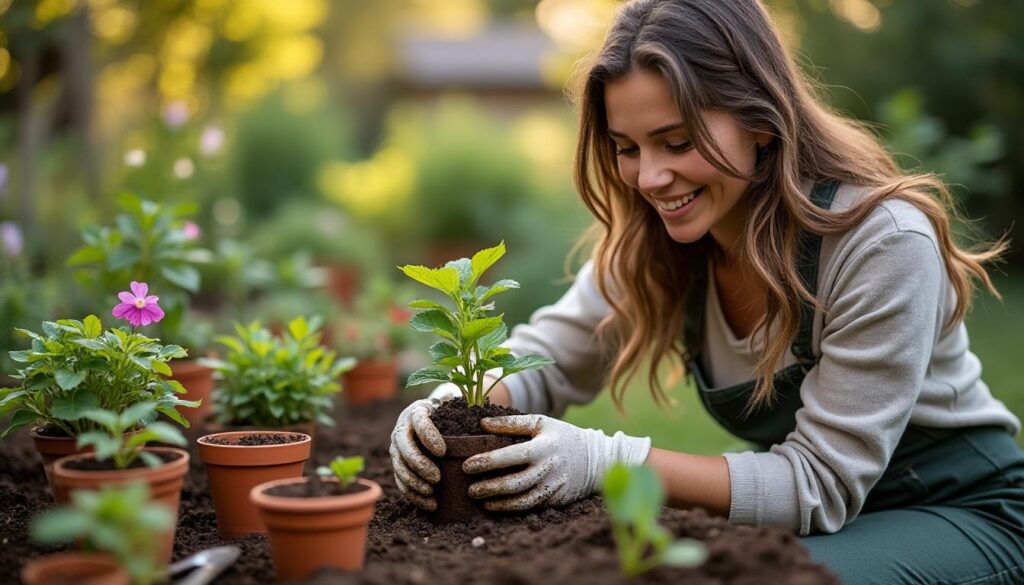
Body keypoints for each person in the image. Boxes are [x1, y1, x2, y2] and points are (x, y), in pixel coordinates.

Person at [390, 1, 1024, 583]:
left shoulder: (879, 243)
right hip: (831, 519)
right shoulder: (663, 245)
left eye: (677, 142)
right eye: (626, 148)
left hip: (960, 510)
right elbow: (548, 356)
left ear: (761, 123)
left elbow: (818, 485)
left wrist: (603, 462)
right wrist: (449, 405)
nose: (651, 177)